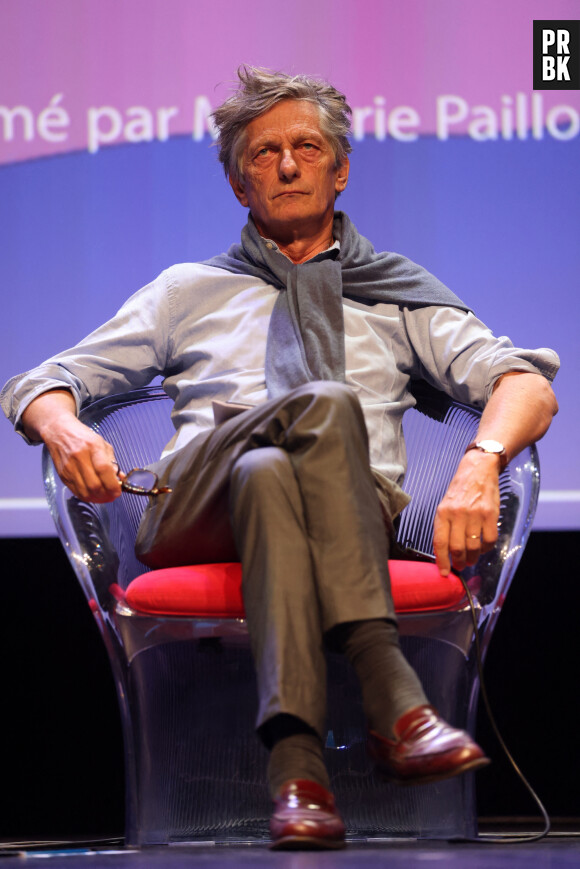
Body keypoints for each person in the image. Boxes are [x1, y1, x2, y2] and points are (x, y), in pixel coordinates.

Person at [1, 67, 559, 850]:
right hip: (196, 506)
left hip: (347, 509)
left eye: (307, 146)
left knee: (272, 473)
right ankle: (393, 695)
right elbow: (42, 381)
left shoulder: (397, 293)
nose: (289, 166)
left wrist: (479, 462)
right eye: (265, 154)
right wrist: (65, 430)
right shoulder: (186, 289)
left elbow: (524, 383)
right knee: (325, 404)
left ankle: (297, 778)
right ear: (239, 185)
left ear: (341, 167)